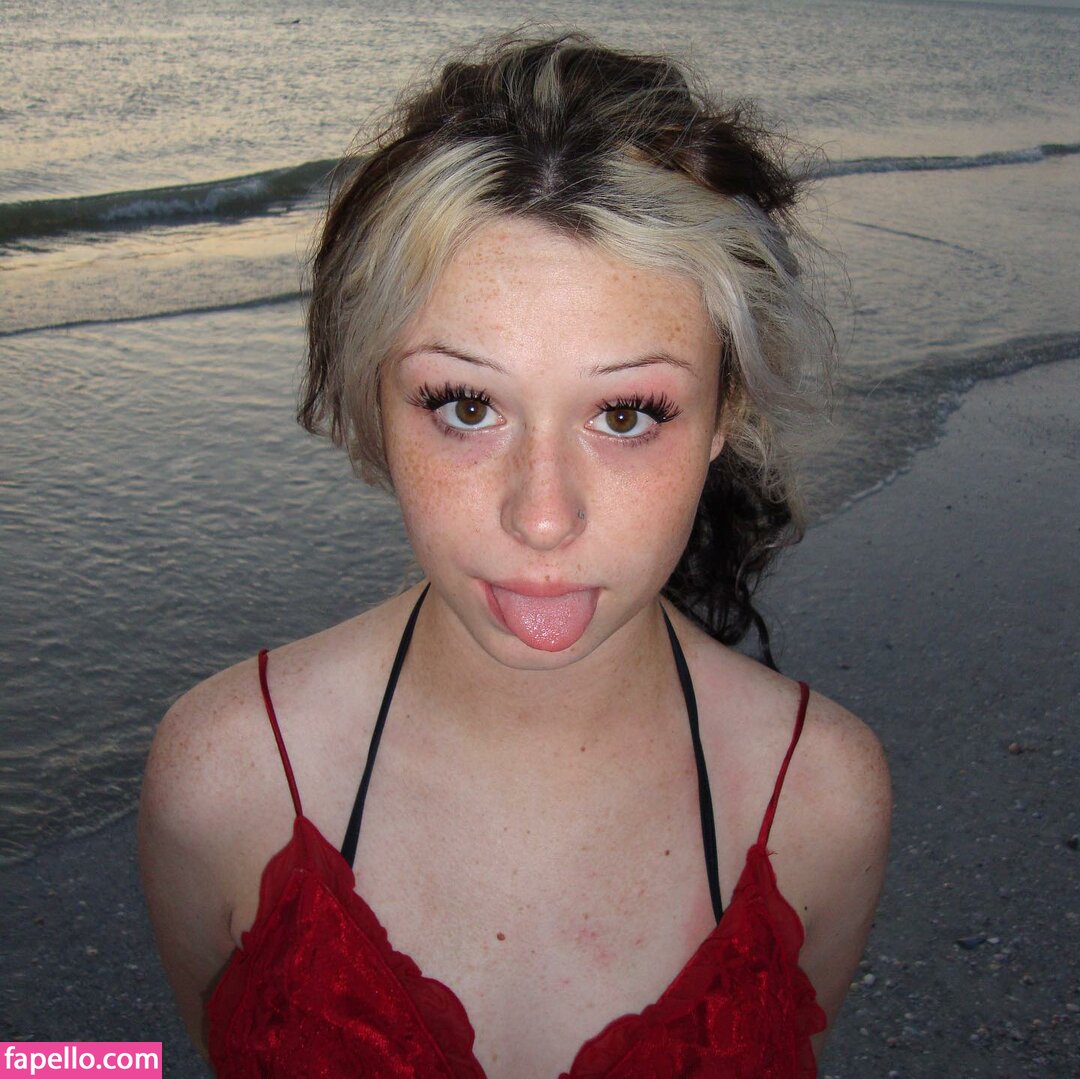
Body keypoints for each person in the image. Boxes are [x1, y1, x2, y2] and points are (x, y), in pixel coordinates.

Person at [138, 32, 891, 1078]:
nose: (543, 517)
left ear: (726, 412)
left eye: (625, 413)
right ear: (375, 400)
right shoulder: (226, 774)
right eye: (466, 404)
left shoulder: (819, 797)